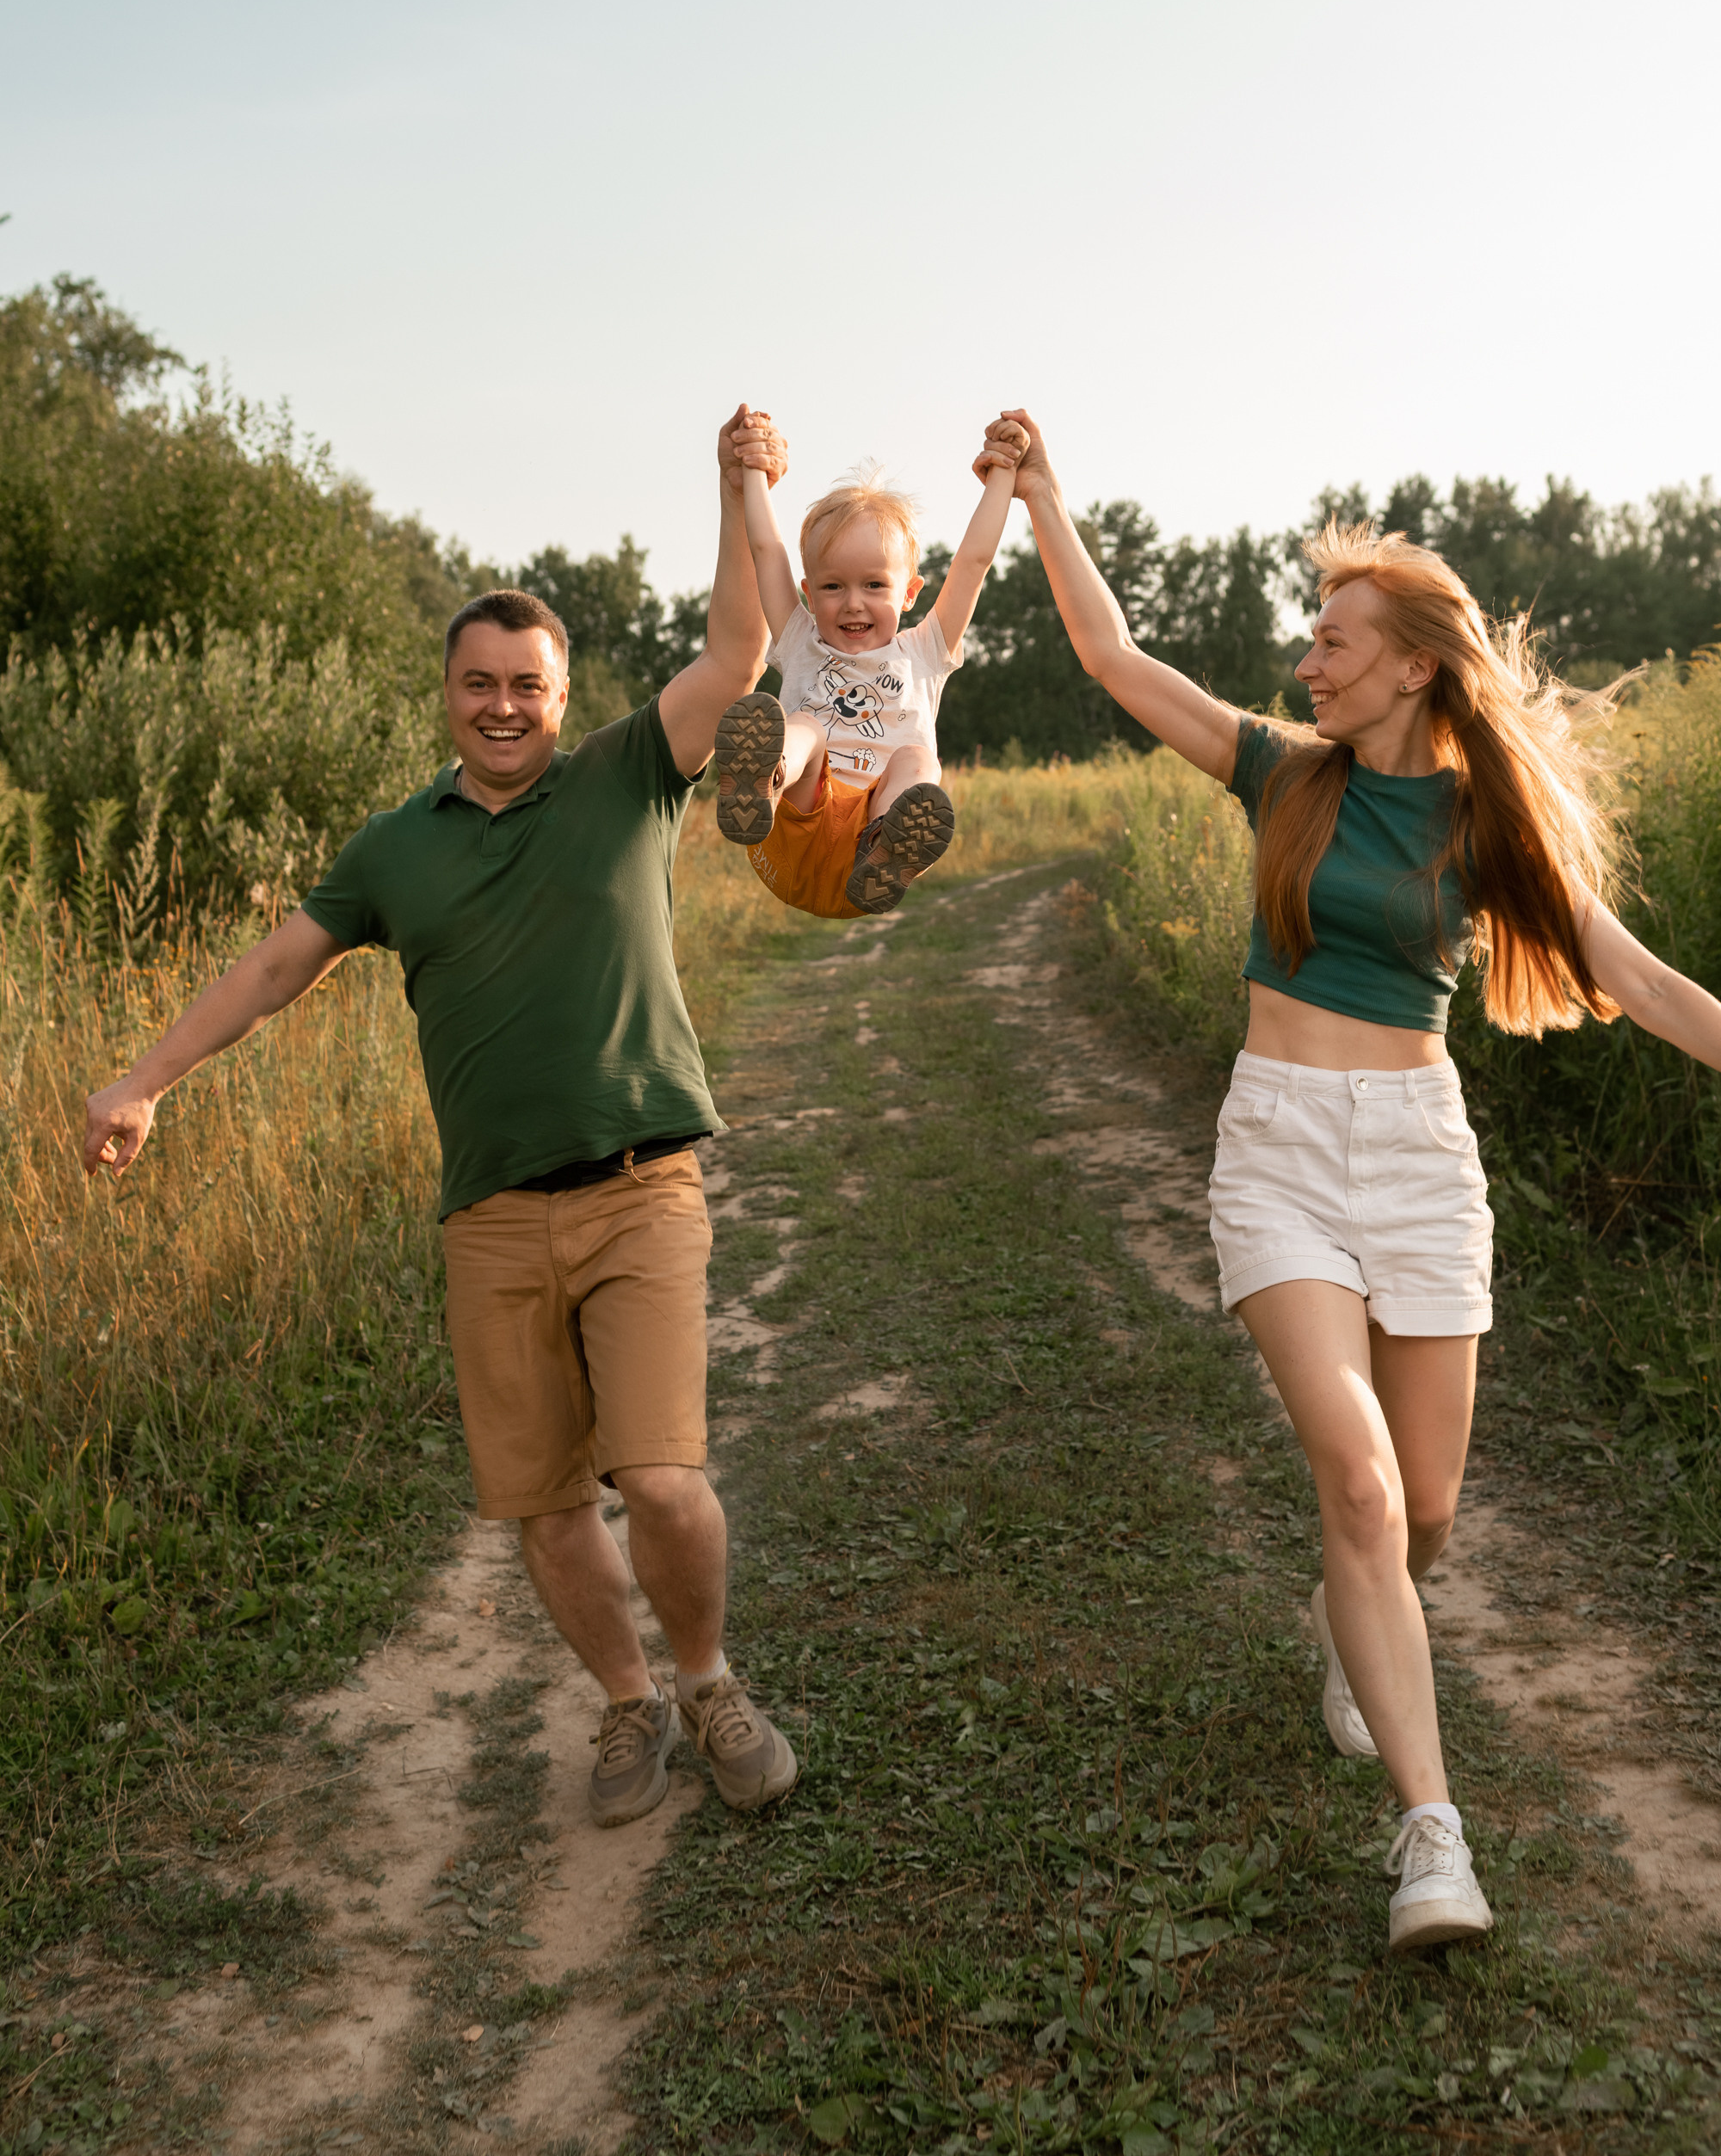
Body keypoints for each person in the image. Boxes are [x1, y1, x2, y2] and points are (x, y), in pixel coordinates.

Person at [994, 406, 1721, 1955]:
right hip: (1278, 1152)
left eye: (1333, 640)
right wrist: (1050, 503)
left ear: (1411, 665)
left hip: (1418, 1157)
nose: (1307, 660)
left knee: (1428, 1511)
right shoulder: (1284, 776)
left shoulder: (1484, 822)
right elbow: (1121, 664)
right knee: (1362, 1481)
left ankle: (1357, 1627)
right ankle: (1432, 1839)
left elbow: (1642, 984)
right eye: (1309, 639)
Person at [83, 407, 801, 1832]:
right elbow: (278, 967)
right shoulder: (392, 848)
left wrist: (735, 486)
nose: (503, 706)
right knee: (543, 1504)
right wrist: (143, 1080)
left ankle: (711, 1682)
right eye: (479, 684)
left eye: (527, 684)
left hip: (642, 1186)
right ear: (449, 691)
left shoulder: (627, 775)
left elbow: (737, 655)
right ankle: (627, 1706)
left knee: (659, 1480)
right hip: (488, 1216)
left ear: (561, 688)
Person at [711, 422, 1027, 916]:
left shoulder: (925, 651)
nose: (853, 604)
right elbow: (767, 551)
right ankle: (761, 781)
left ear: (909, 592)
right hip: (792, 827)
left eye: (874, 585)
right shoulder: (801, 641)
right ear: (809, 595)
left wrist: (1003, 476)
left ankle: (889, 846)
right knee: (806, 726)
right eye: (833, 587)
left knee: (920, 762)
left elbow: (974, 561)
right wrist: (754, 471)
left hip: (864, 857)